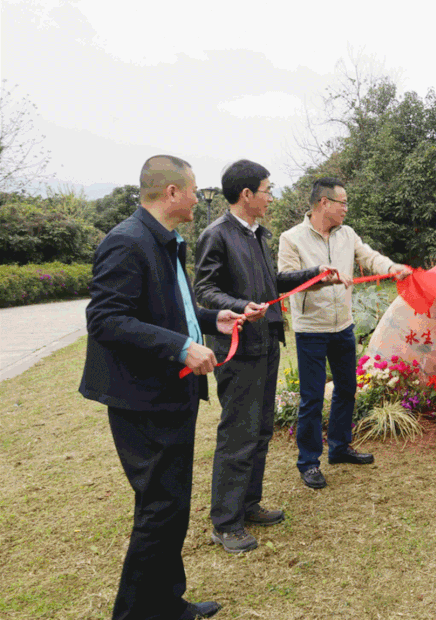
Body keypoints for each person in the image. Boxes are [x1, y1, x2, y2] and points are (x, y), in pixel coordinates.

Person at [80, 155, 246, 620]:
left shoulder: (165, 241)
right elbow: (106, 319)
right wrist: (180, 348)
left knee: (172, 506)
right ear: (172, 193)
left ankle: (167, 603)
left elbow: (169, 307)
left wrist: (213, 319)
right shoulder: (126, 242)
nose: (198, 198)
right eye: (193, 190)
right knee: (158, 510)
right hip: (143, 399)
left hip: (171, 394)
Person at [193, 160, 337, 553]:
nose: (271, 196)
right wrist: (239, 305)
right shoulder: (217, 235)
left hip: (266, 342)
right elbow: (203, 290)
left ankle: (249, 504)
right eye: (267, 190)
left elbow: (269, 283)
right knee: (238, 432)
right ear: (247, 195)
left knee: (260, 429)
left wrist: (312, 274)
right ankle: (225, 522)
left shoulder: (257, 235)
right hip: (238, 348)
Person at [278, 177, 411, 489]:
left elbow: (368, 255)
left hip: (343, 327)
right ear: (324, 203)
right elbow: (287, 279)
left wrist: (391, 267)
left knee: (347, 389)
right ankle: (309, 462)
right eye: (343, 203)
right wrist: (322, 278)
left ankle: (339, 447)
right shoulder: (292, 238)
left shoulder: (347, 234)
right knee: (311, 398)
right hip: (311, 329)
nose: (346, 209)